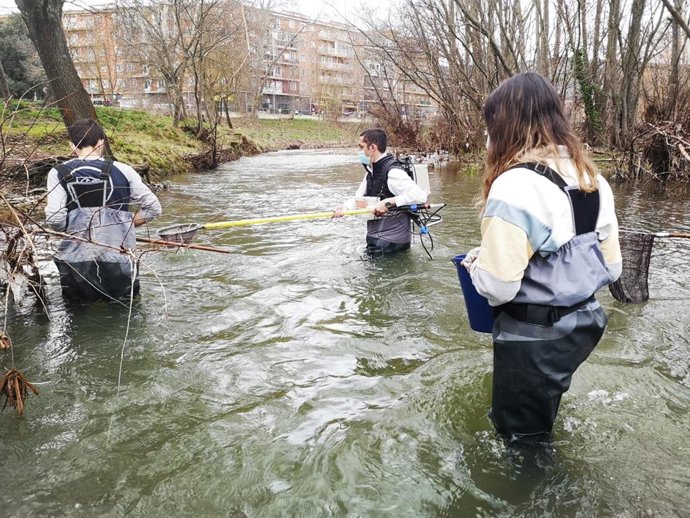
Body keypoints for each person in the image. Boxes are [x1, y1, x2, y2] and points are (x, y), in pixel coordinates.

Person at [464, 72, 622, 443]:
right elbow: (611, 268)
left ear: (504, 126)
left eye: (490, 127)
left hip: (534, 338)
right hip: (583, 326)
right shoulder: (593, 178)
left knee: (520, 442)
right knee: (542, 413)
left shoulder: (515, 185)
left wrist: (476, 266)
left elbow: (498, 288)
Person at [45, 118, 162, 301]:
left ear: (72, 145)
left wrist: (74, 228)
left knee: (78, 318)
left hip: (76, 260)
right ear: (101, 142)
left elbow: (55, 219)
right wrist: (126, 225)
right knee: (122, 311)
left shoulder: (57, 173)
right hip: (119, 257)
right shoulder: (124, 170)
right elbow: (153, 208)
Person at [334, 128, 428, 254]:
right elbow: (358, 199)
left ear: (372, 147)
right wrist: (344, 207)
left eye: (361, 147)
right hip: (376, 239)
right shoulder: (371, 171)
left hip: (392, 243)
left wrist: (388, 202)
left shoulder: (393, 172)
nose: (359, 152)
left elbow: (420, 195)